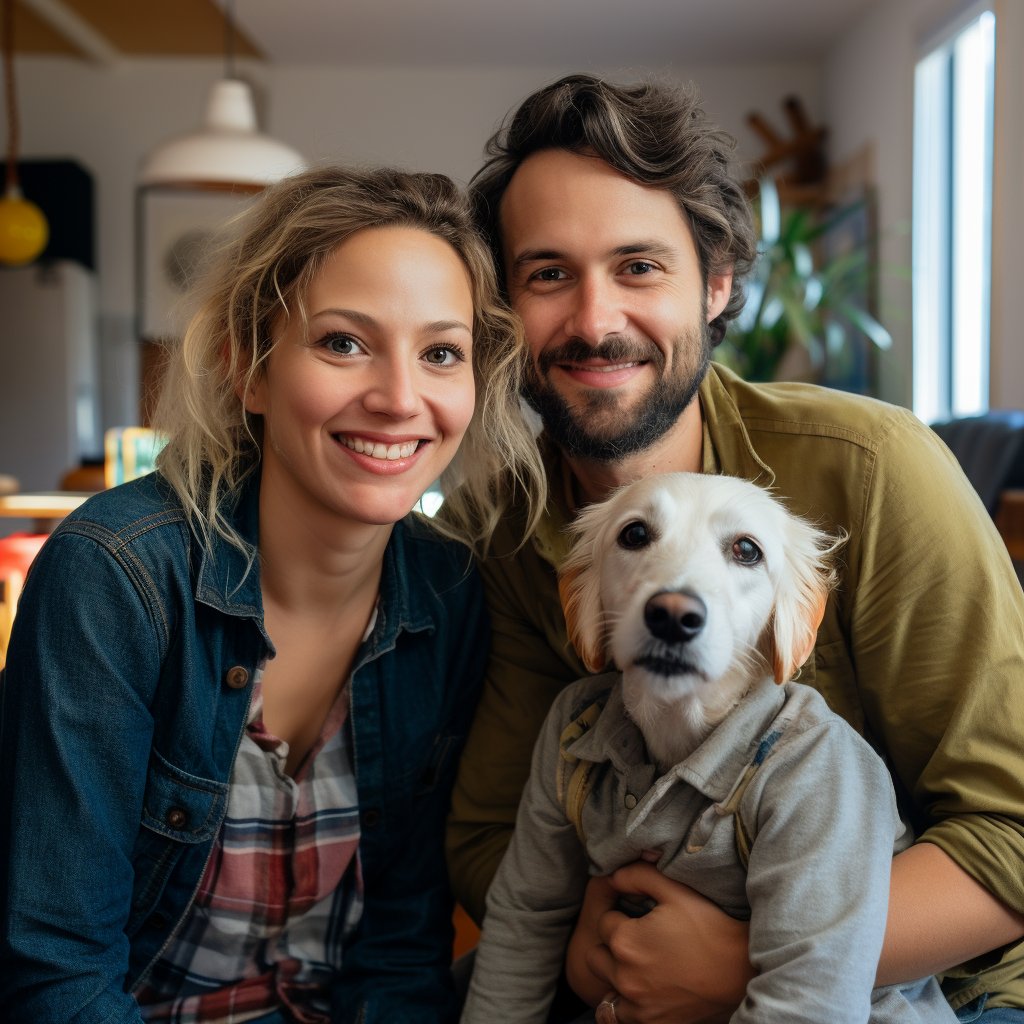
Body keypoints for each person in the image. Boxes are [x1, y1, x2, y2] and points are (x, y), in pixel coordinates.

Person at [445, 74, 1024, 1023]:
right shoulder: (499, 536)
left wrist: (745, 963)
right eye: (548, 273)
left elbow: (1015, 829)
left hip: (946, 988)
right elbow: (490, 836)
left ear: (715, 286)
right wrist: (609, 958)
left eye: (639, 267)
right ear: (505, 306)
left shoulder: (878, 470)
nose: (594, 321)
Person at [0, 165, 545, 1024]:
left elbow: (400, 955)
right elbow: (55, 974)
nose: (401, 399)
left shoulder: (448, 593)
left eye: (441, 353)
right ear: (248, 370)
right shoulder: (116, 576)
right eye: (343, 342)